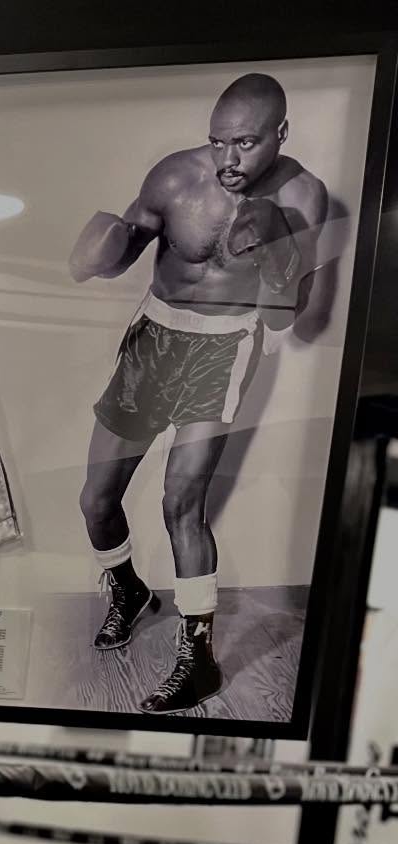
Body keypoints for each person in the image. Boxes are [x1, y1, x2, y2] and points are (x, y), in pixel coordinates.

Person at [70, 72, 329, 712]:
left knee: (181, 500)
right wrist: (99, 254)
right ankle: (127, 589)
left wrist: (275, 253)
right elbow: (122, 249)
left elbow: (281, 319)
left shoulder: (302, 194)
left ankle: (199, 659)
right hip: (155, 337)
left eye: (245, 143)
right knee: (95, 499)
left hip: (226, 345)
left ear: (280, 134)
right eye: (218, 142)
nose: (228, 159)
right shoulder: (174, 178)